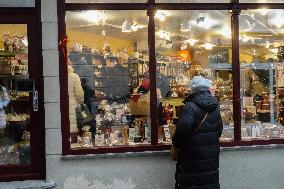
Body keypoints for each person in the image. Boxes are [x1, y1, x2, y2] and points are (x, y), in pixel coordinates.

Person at [171, 75, 223, 189]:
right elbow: (219, 130)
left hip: (192, 155)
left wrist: (175, 144)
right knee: (209, 182)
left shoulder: (190, 107)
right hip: (211, 155)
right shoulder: (215, 107)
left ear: (193, 90)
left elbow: (183, 129)